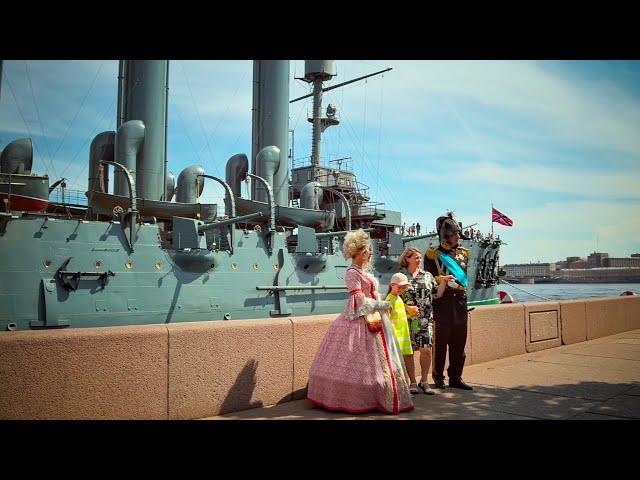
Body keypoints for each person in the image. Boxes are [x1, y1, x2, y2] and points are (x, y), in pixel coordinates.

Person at [307, 229, 414, 414]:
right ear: (362, 250)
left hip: (374, 319)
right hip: (359, 321)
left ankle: (379, 392)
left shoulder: (363, 271)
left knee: (379, 364)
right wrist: (382, 304)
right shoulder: (351, 273)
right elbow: (359, 302)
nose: (371, 252)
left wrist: (380, 306)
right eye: (368, 249)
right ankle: (358, 398)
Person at [424, 212, 474, 390]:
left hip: (460, 301)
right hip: (443, 301)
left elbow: (464, 278)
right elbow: (429, 278)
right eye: (455, 234)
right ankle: (438, 377)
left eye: (458, 233)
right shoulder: (432, 255)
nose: (458, 237)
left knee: (459, 341)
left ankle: (456, 377)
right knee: (441, 342)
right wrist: (442, 279)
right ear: (445, 236)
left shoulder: (464, 253)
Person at [398, 247, 450, 395]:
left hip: (425, 320)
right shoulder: (400, 276)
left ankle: (424, 381)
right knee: (408, 352)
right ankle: (412, 382)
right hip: (407, 320)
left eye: (420, 258)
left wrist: (444, 281)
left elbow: (437, 294)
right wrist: (407, 308)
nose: (419, 260)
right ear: (407, 259)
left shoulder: (427, 276)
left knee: (426, 350)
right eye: (416, 257)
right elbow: (393, 297)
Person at [385, 273, 414, 390]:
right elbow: (386, 318)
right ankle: (399, 386)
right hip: (396, 336)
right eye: (399, 287)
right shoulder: (389, 299)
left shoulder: (398, 298)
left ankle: (404, 385)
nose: (402, 290)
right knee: (397, 363)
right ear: (392, 285)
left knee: (403, 360)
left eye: (404, 287)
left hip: (403, 334)